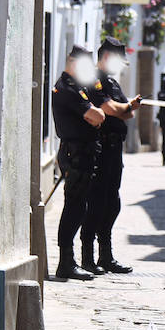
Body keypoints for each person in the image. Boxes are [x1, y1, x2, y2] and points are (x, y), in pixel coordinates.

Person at [81, 37, 141, 275]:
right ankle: (87, 257)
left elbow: (127, 115)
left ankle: (106, 255)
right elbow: (112, 109)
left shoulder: (113, 83)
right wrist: (128, 107)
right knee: (95, 203)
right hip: (100, 150)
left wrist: (127, 108)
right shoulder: (93, 81)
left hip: (115, 151)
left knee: (111, 204)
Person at [52, 46, 106, 280]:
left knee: (78, 206)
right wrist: (96, 117)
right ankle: (65, 262)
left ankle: (69, 260)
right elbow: (97, 115)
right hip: (77, 154)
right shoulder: (68, 88)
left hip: (80, 153)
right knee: (74, 207)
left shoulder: (74, 87)